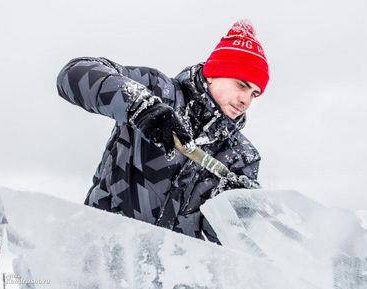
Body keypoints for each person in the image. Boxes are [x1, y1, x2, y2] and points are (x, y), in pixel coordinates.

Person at [56, 19, 269, 243]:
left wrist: (238, 210)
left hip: (171, 273)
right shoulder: (159, 90)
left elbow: (224, 242)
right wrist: (139, 105)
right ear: (213, 73)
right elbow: (72, 74)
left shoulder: (242, 156)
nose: (245, 99)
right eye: (241, 85)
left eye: (254, 93)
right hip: (102, 250)